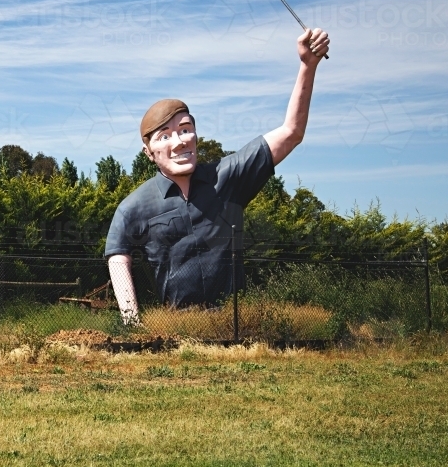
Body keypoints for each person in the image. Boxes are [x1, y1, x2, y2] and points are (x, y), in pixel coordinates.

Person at [104, 28, 330, 324]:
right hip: (174, 327)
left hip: (236, 325)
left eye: (185, 130)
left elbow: (291, 133)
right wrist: (131, 320)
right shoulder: (134, 206)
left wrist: (307, 66)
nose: (179, 141)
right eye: (164, 136)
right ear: (148, 152)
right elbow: (118, 256)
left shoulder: (228, 177)